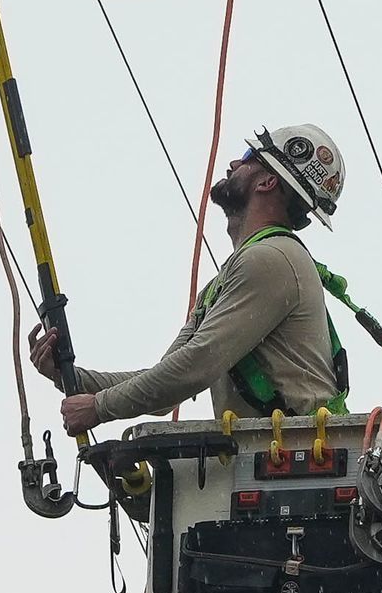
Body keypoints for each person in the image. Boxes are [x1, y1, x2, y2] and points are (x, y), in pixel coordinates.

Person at [33, 123, 350, 433]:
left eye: (248, 155)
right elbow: (167, 381)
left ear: (267, 181)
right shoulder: (228, 280)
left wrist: (99, 407)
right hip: (276, 465)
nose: (234, 163)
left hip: (299, 463)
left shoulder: (270, 260)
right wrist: (70, 378)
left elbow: (196, 365)